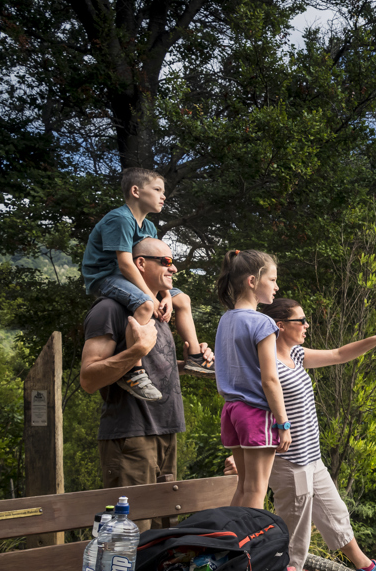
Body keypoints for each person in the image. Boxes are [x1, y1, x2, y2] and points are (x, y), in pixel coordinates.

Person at [228, 298, 376, 571]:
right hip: (289, 461)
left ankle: (366, 568)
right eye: (301, 321)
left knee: (335, 513)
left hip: (312, 458)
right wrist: (242, 455)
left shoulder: (295, 355)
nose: (306, 326)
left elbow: (337, 354)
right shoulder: (266, 363)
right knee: (295, 529)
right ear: (280, 325)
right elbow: (250, 408)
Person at [80, 237, 214, 527]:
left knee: (165, 532)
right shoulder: (111, 309)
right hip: (131, 436)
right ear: (140, 263)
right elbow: (88, 378)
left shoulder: (161, 311)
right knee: (132, 536)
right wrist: (137, 351)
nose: (174, 269)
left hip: (167, 431)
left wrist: (193, 363)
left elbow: (157, 364)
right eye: (165, 262)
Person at [81, 167, 214, 401]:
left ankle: (195, 358)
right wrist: (151, 298)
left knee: (182, 299)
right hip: (104, 277)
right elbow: (125, 264)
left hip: (127, 279)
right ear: (135, 191)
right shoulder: (120, 219)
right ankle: (134, 371)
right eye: (157, 190)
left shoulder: (149, 228)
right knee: (144, 304)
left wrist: (166, 295)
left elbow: (150, 266)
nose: (164, 196)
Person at [214, 249, 290, 510]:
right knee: (257, 491)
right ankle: (249, 550)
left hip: (232, 411)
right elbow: (270, 379)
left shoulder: (226, 320)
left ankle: (232, 544)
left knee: (244, 487)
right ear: (252, 281)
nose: (276, 286)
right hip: (256, 413)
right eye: (272, 279)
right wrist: (283, 423)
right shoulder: (263, 323)